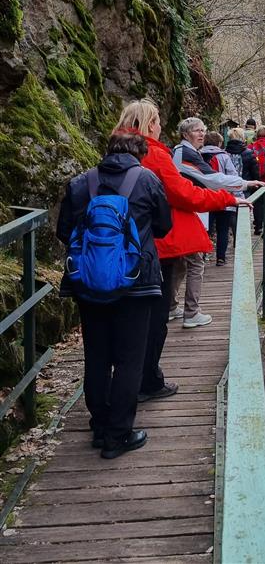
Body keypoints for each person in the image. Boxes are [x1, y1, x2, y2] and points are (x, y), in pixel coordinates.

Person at [113, 99, 245, 398]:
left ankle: (132, 381)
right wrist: (226, 198)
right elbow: (184, 194)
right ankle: (148, 381)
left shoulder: (115, 151)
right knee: (155, 319)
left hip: (122, 245)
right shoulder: (154, 156)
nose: (161, 127)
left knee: (134, 318)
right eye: (158, 121)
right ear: (149, 125)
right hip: (156, 246)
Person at [57, 132, 172, 459]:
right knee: (129, 360)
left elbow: (64, 231)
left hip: (88, 285)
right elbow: (164, 226)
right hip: (136, 284)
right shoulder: (147, 180)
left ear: (107, 152)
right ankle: (119, 435)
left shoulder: (81, 182)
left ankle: (100, 426)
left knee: (96, 357)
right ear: (140, 154)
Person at [170, 117, 263, 325]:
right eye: (196, 130)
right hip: (185, 212)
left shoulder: (180, 151)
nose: (202, 134)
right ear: (186, 134)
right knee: (195, 262)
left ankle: (171, 307)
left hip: (180, 212)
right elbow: (213, 179)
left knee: (179, 263)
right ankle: (191, 313)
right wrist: (245, 184)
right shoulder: (186, 154)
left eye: (203, 130)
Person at [201, 131, 244, 265]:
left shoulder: (198, 155)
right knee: (223, 229)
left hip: (205, 198)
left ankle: (202, 256)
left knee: (205, 229)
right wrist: (239, 197)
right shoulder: (224, 157)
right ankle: (221, 258)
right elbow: (232, 176)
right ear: (219, 143)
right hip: (223, 198)